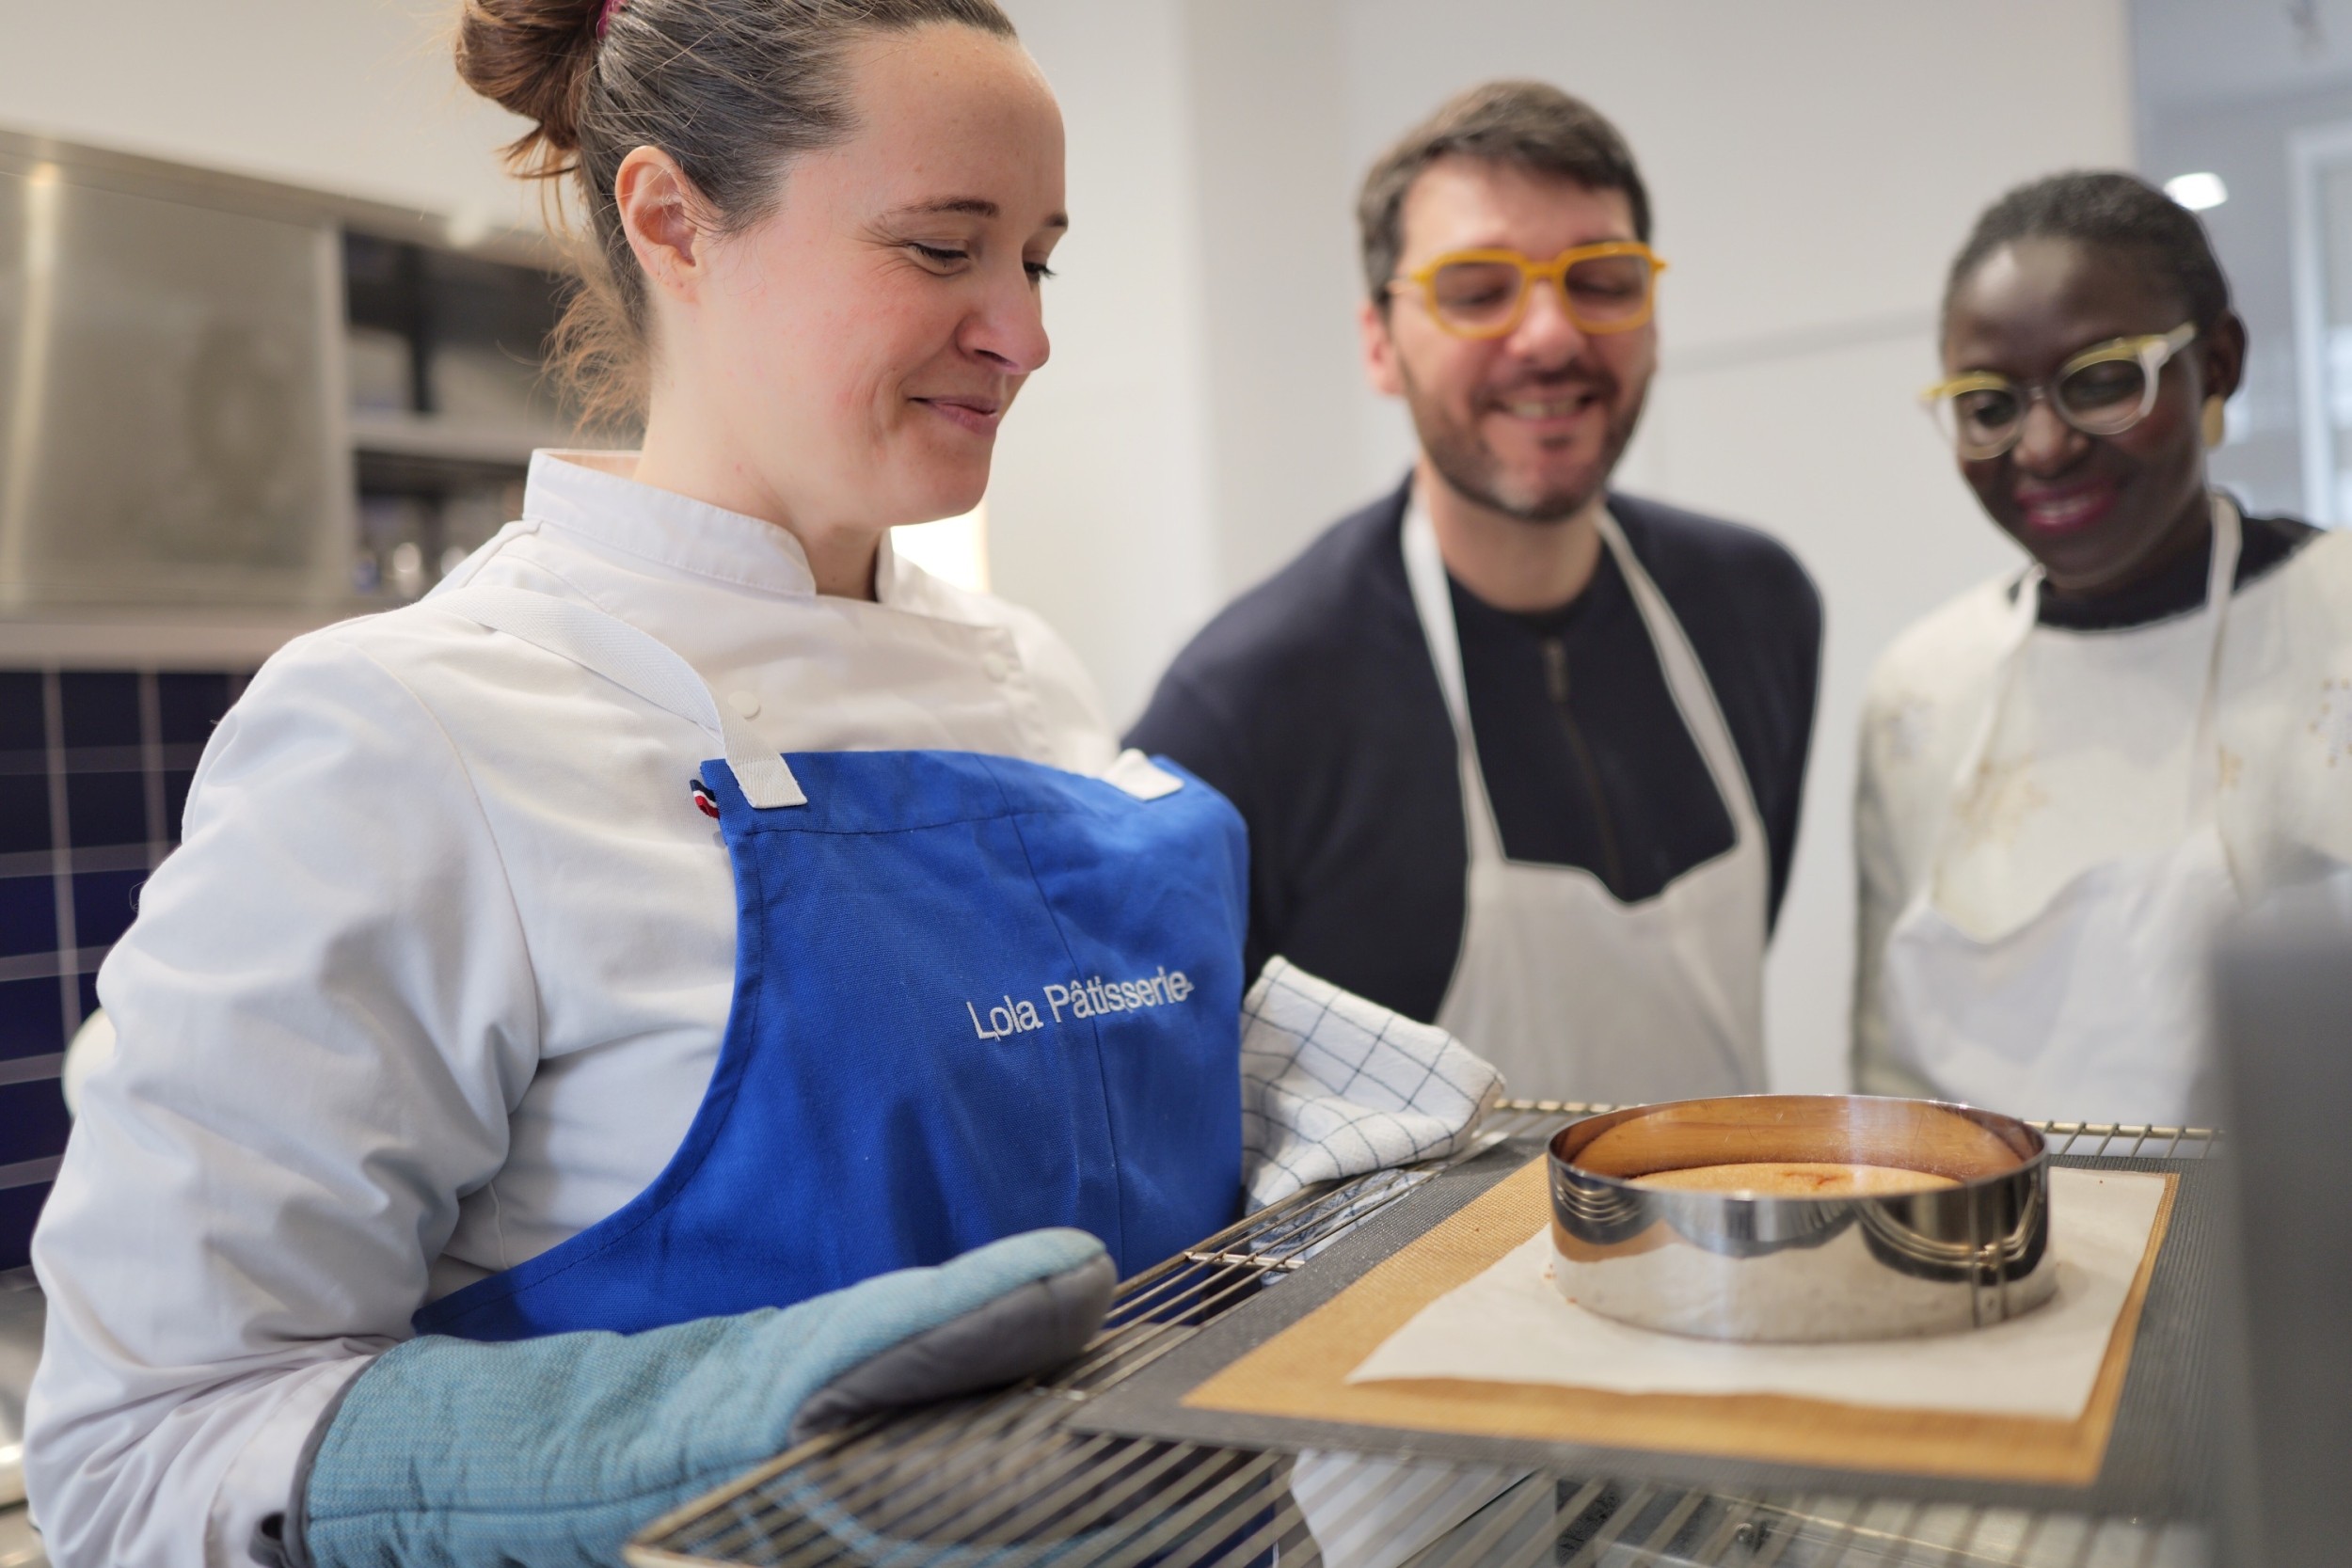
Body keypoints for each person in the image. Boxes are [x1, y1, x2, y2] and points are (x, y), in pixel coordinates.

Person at [24, 5, 1497, 1564]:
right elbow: (142, 1450)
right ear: (673, 223)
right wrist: (682, 1437)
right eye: (943, 249)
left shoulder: (1027, 678)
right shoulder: (412, 735)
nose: (1026, 330)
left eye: (1038, 258)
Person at [1128, 82, 1822, 1104]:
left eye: (1601, 278)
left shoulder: (1756, 609)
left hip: (1733, 1250)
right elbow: (1169, 1110)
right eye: (1477, 289)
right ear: (1379, 342)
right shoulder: (1248, 702)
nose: (1548, 335)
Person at [1854, 169, 2352, 1127]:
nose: (2041, 446)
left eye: (2103, 381)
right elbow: (1886, 1084)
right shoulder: (1922, 693)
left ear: (2217, 362)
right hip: (1995, 1266)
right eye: (1989, 405)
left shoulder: (2333, 617)